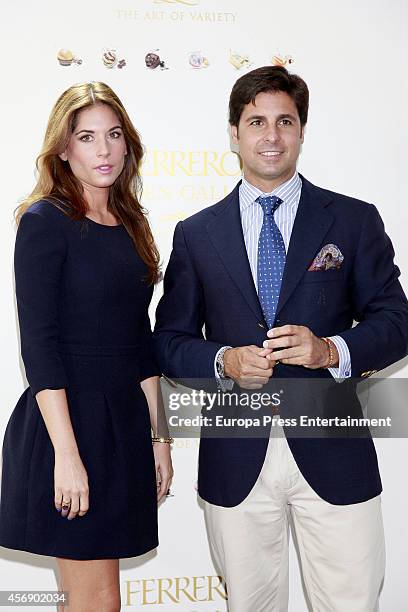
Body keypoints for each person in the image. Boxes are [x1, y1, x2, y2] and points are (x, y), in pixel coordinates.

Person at [153, 66, 408, 611]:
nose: (271, 136)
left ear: (301, 130)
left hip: (334, 451)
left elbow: (396, 321)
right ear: (234, 132)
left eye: (284, 122)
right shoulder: (196, 234)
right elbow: (168, 340)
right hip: (235, 457)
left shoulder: (354, 221)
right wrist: (223, 360)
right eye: (256, 122)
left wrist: (331, 351)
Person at [0, 81, 173, 612]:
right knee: (97, 602)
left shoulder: (132, 224)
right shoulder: (44, 222)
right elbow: (40, 349)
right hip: (67, 427)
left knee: (94, 600)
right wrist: (67, 458)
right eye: (87, 137)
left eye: (113, 135)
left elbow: (139, 344)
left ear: (128, 145)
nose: (103, 150)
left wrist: (159, 436)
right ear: (64, 148)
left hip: (120, 426)